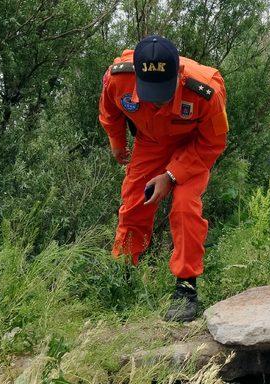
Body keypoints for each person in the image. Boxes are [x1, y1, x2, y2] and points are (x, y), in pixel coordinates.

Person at [98, 35, 229, 322]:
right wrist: (117, 142)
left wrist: (171, 176)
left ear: (179, 74)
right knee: (134, 203)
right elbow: (109, 111)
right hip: (150, 143)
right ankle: (123, 273)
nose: (157, 102)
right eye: (150, 92)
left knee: (184, 207)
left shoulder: (206, 90)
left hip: (192, 148)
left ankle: (185, 287)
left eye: (164, 92)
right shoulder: (118, 78)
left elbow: (213, 144)